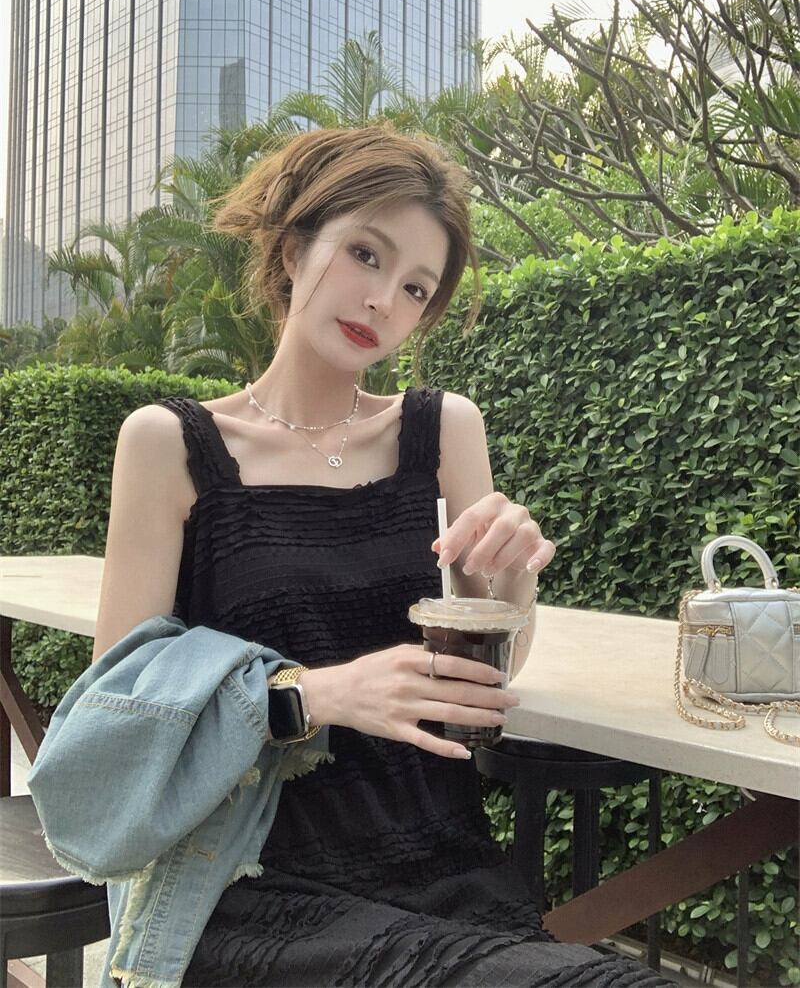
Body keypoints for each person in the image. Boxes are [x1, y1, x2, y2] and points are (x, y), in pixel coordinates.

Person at [92, 124, 676, 986]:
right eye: (364, 254)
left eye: (414, 288)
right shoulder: (170, 443)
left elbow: (482, 673)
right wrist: (316, 694)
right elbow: (122, 713)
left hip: (446, 866)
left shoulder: (442, 429)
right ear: (293, 248)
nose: (381, 301)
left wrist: (511, 581)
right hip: (250, 879)